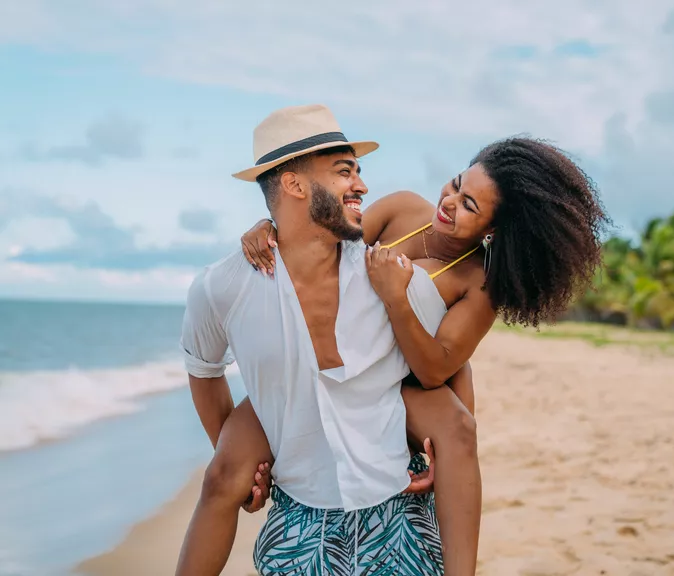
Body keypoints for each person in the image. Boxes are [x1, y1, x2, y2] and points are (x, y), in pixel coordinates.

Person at [237, 126, 608, 571]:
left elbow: (436, 369)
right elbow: (326, 242)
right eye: (456, 184)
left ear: (494, 229)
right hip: (329, 360)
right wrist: (271, 227)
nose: (449, 201)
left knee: (459, 429)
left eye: (469, 205)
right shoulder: (400, 209)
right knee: (226, 472)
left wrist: (396, 297)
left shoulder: (480, 283)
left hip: (398, 382)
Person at [178, 104, 482, 576]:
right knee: (220, 477)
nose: (361, 184)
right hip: (299, 498)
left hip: (389, 489)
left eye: (359, 172)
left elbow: (449, 365)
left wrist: (446, 449)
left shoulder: (394, 280)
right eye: (345, 172)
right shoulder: (223, 286)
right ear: (294, 185)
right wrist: (250, 472)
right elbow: (204, 370)